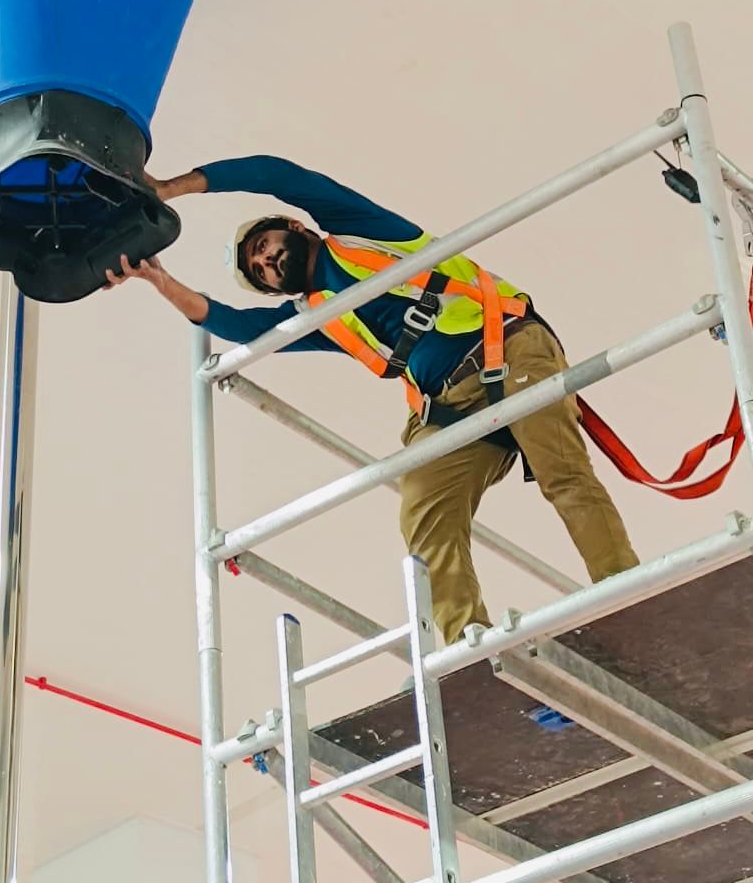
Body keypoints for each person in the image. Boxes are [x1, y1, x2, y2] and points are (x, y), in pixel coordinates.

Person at [104, 155, 639, 644]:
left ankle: (625, 597)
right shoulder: (319, 317)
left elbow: (277, 175)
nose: (267, 261)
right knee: (423, 508)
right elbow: (239, 327)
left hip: (510, 348)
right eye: (260, 271)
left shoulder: (360, 231)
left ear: (294, 226)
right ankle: (471, 645)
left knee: (561, 473)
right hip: (450, 406)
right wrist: (160, 281)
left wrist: (173, 187)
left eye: (263, 246)